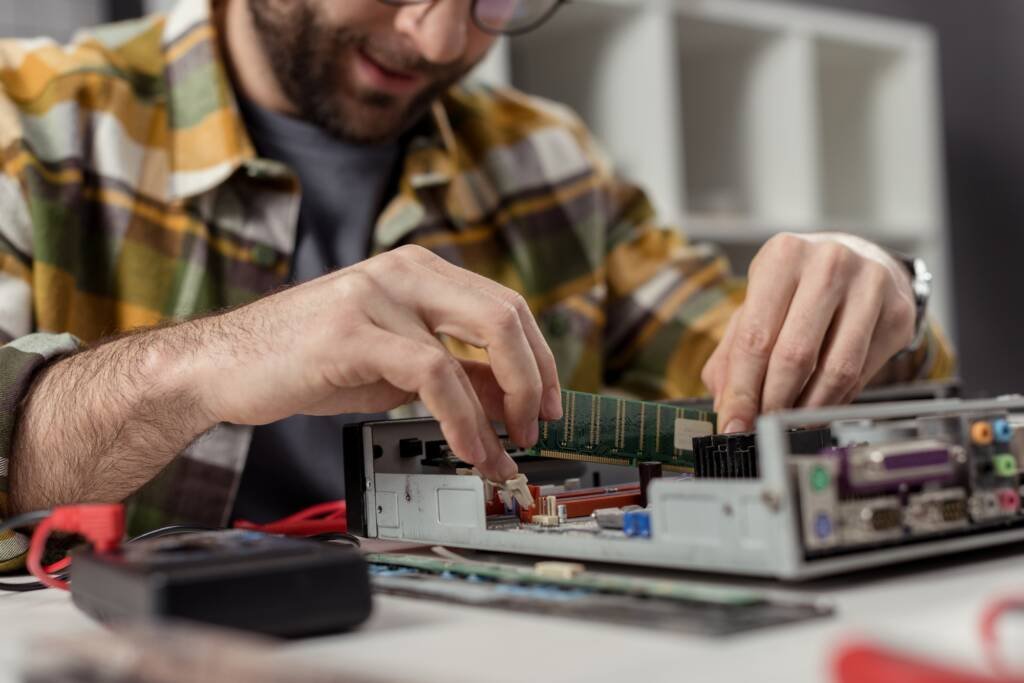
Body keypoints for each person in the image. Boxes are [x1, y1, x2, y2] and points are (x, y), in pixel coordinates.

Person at [0, 0, 952, 561]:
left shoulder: (551, 162)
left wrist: (880, 294)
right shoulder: (29, 121)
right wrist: (208, 362)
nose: (440, 36)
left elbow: (758, 373)